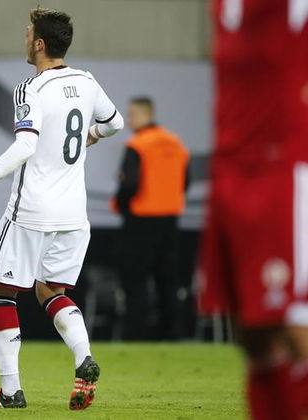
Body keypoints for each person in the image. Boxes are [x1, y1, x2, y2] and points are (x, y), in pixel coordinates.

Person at [0, 7, 123, 410]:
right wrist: (90, 135)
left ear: (40, 43)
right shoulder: (86, 81)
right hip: (73, 216)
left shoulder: (31, 89)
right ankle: (83, 358)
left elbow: (27, 145)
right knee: (53, 291)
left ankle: (11, 391)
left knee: (1, 290)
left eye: (28, 33)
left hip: (30, 211)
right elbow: (114, 122)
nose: (25, 39)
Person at [199, 0, 308, 418]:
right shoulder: (224, 9)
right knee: (253, 333)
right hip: (229, 173)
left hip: (280, 171)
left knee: (294, 324)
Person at [113, 97, 189, 340]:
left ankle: (136, 333)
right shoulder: (176, 143)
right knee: (168, 279)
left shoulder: (137, 144)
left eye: (132, 114)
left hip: (141, 219)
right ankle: (172, 332)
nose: (129, 119)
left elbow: (131, 183)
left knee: (135, 280)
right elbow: (185, 181)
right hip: (170, 220)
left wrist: (123, 205)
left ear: (147, 114)